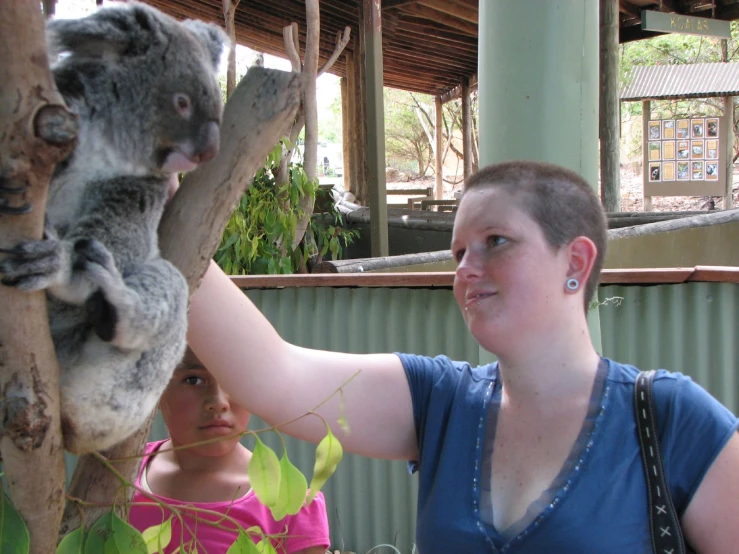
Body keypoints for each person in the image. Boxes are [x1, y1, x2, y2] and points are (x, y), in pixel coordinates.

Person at [186, 160, 739, 553]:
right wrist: (154, 201)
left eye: (495, 240)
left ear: (576, 260)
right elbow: (277, 377)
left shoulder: (670, 419)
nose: (466, 269)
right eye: (458, 252)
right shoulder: (440, 403)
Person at [128, 347, 330, 554]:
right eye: (193, 380)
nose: (218, 402)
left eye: (235, 380)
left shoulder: (290, 504)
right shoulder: (116, 478)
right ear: (155, 388)